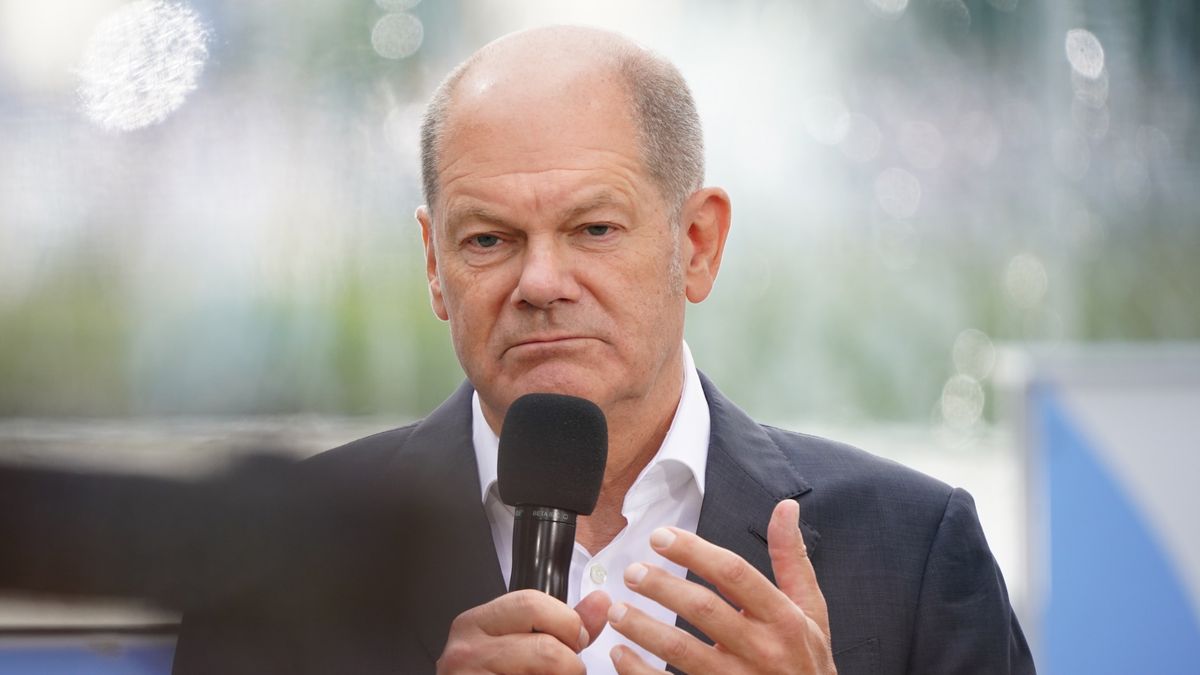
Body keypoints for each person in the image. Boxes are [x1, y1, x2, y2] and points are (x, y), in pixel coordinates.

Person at [174, 25, 1035, 675]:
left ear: (696, 243)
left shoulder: (913, 549)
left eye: (593, 228)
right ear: (434, 268)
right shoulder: (279, 555)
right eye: (488, 240)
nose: (541, 281)